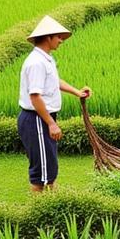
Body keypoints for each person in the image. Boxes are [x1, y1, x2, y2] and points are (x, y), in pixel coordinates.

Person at [18, 15, 92, 192]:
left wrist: (76, 92)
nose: (61, 41)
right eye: (58, 37)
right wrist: (51, 124)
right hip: (37, 119)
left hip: (42, 118)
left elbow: (55, 82)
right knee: (41, 173)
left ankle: (53, 206)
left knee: (48, 168)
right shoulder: (36, 63)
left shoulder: (46, 59)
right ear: (47, 37)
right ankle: (39, 214)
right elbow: (35, 96)